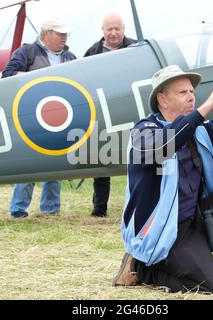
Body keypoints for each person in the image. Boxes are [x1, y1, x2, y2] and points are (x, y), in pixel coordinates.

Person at [114, 65, 213, 294]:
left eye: (192, 92)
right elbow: (167, 144)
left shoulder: (200, 129)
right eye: (182, 92)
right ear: (162, 100)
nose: (191, 96)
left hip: (198, 216)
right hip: (167, 229)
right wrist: (207, 107)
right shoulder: (143, 132)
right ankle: (145, 268)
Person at [2, 17, 76, 219]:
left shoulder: (70, 57)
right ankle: (18, 209)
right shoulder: (27, 52)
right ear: (46, 34)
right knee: (30, 162)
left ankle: (51, 209)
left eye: (65, 34)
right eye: (60, 33)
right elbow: (7, 76)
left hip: (61, 119)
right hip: (32, 118)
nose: (64, 37)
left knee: (56, 163)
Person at [84, 12, 136, 218]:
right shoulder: (92, 52)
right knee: (102, 162)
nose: (113, 33)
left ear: (123, 29)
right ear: (102, 30)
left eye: (117, 28)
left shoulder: (136, 48)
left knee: (138, 161)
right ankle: (99, 209)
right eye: (109, 29)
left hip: (131, 111)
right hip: (103, 115)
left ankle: (136, 207)